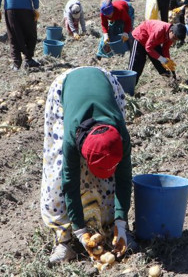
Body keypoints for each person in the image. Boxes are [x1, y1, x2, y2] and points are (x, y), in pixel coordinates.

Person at [40, 66, 137, 263]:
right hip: (65, 88)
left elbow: (124, 179)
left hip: (105, 81)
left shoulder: (120, 136)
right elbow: (70, 183)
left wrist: (121, 220)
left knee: (109, 184)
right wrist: (80, 230)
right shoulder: (70, 138)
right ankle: (64, 242)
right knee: (57, 173)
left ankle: (113, 230)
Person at [129, 19, 186, 84]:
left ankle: (171, 79)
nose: (174, 41)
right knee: (137, 66)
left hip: (152, 41)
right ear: (171, 31)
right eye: (174, 38)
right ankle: (129, 86)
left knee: (161, 63)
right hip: (140, 38)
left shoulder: (171, 35)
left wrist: (168, 62)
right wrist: (162, 59)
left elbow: (165, 49)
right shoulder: (159, 30)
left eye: (176, 40)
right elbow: (148, 48)